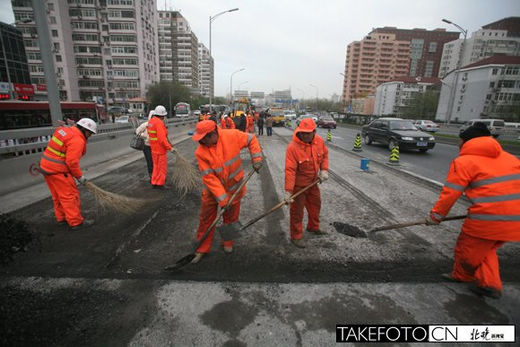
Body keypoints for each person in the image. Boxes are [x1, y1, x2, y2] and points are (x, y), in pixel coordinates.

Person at [426, 122, 520, 299]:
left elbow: (450, 194)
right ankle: (484, 282)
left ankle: (482, 282)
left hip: (488, 220)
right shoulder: (510, 158)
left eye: (460, 140)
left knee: (467, 248)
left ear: (468, 141)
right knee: (486, 249)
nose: (457, 144)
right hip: (515, 221)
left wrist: (436, 216)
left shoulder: (464, 161)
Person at [191, 120, 264, 263]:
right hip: (212, 191)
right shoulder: (200, 152)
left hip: (233, 188)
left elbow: (251, 139)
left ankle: (228, 242)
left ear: (214, 134)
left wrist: (256, 159)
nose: (202, 141)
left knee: (231, 218)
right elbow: (209, 177)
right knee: (206, 220)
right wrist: (223, 200)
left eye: (204, 138)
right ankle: (202, 248)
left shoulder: (231, 135)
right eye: (200, 138)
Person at [39, 118, 97, 229]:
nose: (89, 136)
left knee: (57, 195)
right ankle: (75, 222)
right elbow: (72, 162)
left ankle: (62, 218)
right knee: (69, 196)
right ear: (85, 130)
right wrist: (80, 177)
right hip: (58, 170)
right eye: (90, 133)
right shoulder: (77, 140)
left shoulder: (64, 130)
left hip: (46, 167)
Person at [284, 118, 329, 248]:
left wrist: (324, 170)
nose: (304, 135)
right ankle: (296, 236)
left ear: (314, 132)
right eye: (302, 132)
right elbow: (290, 170)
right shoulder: (293, 147)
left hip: (313, 183)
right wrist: (288, 191)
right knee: (297, 212)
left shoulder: (319, 141)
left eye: (308, 133)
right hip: (298, 187)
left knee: (315, 206)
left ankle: (313, 227)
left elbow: (325, 154)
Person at [147, 105, 174, 189]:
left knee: (156, 166)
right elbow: (162, 139)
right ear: (162, 115)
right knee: (162, 168)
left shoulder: (151, 121)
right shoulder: (159, 123)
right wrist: (170, 148)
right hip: (160, 150)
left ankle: (154, 182)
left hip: (153, 149)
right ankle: (160, 184)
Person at [135, 110, 154, 181]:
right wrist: (144, 136)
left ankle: (155, 175)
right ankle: (151, 175)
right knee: (150, 161)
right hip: (146, 146)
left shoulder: (158, 125)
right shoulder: (146, 124)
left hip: (155, 146)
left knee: (155, 162)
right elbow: (137, 131)